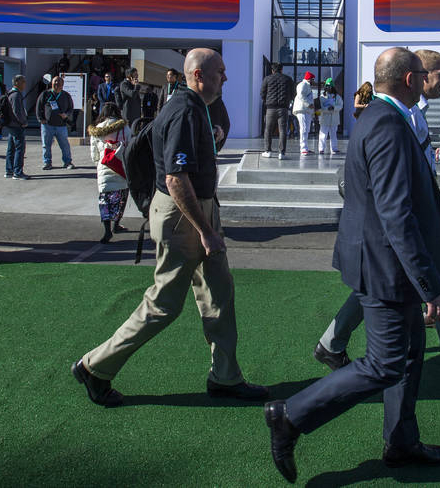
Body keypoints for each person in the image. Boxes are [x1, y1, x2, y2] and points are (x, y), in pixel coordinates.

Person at [265, 48, 440, 483]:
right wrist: (430, 284)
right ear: (409, 80)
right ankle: (290, 416)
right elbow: (395, 215)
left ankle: (402, 442)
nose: (430, 80)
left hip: (387, 263)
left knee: (409, 357)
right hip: (386, 267)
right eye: (424, 75)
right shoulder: (387, 124)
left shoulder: (380, 117)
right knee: (385, 364)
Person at [72, 48, 267, 407]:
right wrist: (206, 231)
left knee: (218, 293)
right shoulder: (183, 111)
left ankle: (225, 377)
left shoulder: (196, 109)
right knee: (164, 304)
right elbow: (176, 179)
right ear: (198, 76)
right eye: (220, 71)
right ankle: (94, 366)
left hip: (198, 210)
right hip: (183, 216)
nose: (226, 77)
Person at [314, 49, 440, 378]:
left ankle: (335, 343)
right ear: (416, 77)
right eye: (439, 73)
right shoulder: (398, 114)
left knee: (400, 284)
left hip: (417, 212)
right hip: (407, 218)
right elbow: (393, 193)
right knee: (420, 285)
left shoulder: (415, 109)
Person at [88, 103, 130, 244]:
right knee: (121, 198)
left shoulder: (96, 130)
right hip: (121, 168)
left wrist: (99, 164)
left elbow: (94, 154)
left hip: (104, 167)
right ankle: (116, 224)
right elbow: (130, 146)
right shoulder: (124, 128)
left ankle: (107, 230)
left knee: (104, 200)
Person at [36, 75, 75, 170]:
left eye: (59, 82)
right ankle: (47, 163)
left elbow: (71, 108)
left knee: (65, 145)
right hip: (47, 125)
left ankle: (68, 162)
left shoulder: (66, 95)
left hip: (61, 125)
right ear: (51, 83)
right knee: (46, 145)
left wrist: (66, 114)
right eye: (55, 82)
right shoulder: (45, 94)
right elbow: (38, 107)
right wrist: (40, 119)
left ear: (63, 84)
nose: (57, 84)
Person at [260, 62, 293, 159]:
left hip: (270, 108)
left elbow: (262, 93)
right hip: (283, 108)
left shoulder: (267, 79)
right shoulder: (288, 79)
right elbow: (292, 94)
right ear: (282, 69)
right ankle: (281, 153)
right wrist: (287, 101)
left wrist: (267, 101)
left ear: (272, 70)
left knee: (268, 130)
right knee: (282, 130)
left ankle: (268, 151)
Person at [1, 75, 29, 180]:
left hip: (10, 125)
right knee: (19, 149)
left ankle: (9, 170)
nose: (25, 84)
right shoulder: (16, 95)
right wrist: (24, 122)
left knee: (11, 149)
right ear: (17, 82)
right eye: (23, 82)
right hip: (16, 126)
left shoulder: (10, 93)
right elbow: (17, 111)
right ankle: (18, 172)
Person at [293, 71, 315, 155]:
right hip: (302, 109)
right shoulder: (302, 85)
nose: (314, 81)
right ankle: (303, 148)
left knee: (306, 129)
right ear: (310, 79)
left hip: (306, 110)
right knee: (304, 129)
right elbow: (300, 95)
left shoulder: (307, 85)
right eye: (313, 79)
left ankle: (305, 147)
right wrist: (308, 104)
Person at [317, 78, 342, 155]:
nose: (329, 88)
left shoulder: (337, 97)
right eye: (327, 86)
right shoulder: (322, 97)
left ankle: (334, 148)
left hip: (334, 118)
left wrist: (334, 108)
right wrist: (327, 109)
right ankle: (321, 149)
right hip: (325, 118)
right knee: (323, 134)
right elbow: (320, 108)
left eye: (330, 87)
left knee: (333, 134)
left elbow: (340, 106)